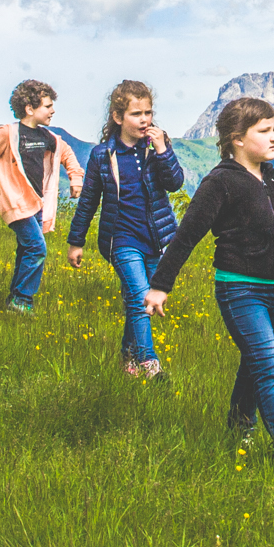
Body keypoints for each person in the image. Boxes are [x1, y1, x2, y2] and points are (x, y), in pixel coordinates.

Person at [144, 97, 274, 467]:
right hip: (239, 288)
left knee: (256, 360)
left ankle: (239, 424)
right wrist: (160, 285)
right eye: (265, 131)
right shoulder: (220, 182)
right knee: (269, 364)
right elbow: (186, 236)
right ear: (237, 139)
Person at [66, 79, 184, 378]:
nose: (144, 119)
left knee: (136, 298)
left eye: (148, 112)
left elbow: (175, 183)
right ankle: (148, 362)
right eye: (136, 114)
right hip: (121, 240)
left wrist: (163, 151)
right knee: (140, 297)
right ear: (118, 118)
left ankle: (127, 359)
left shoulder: (156, 147)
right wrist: (75, 241)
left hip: (155, 238)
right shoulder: (103, 155)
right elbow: (89, 200)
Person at [0, 79, 85, 314]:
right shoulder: (7, 134)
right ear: (30, 108)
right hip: (16, 203)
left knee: (25, 250)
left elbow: (67, 153)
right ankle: (22, 300)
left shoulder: (47, 136)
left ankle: (13, 298)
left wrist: (75, 177)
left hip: (36, 204)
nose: (52, 111)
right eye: (47, 106)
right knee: (37, 249)